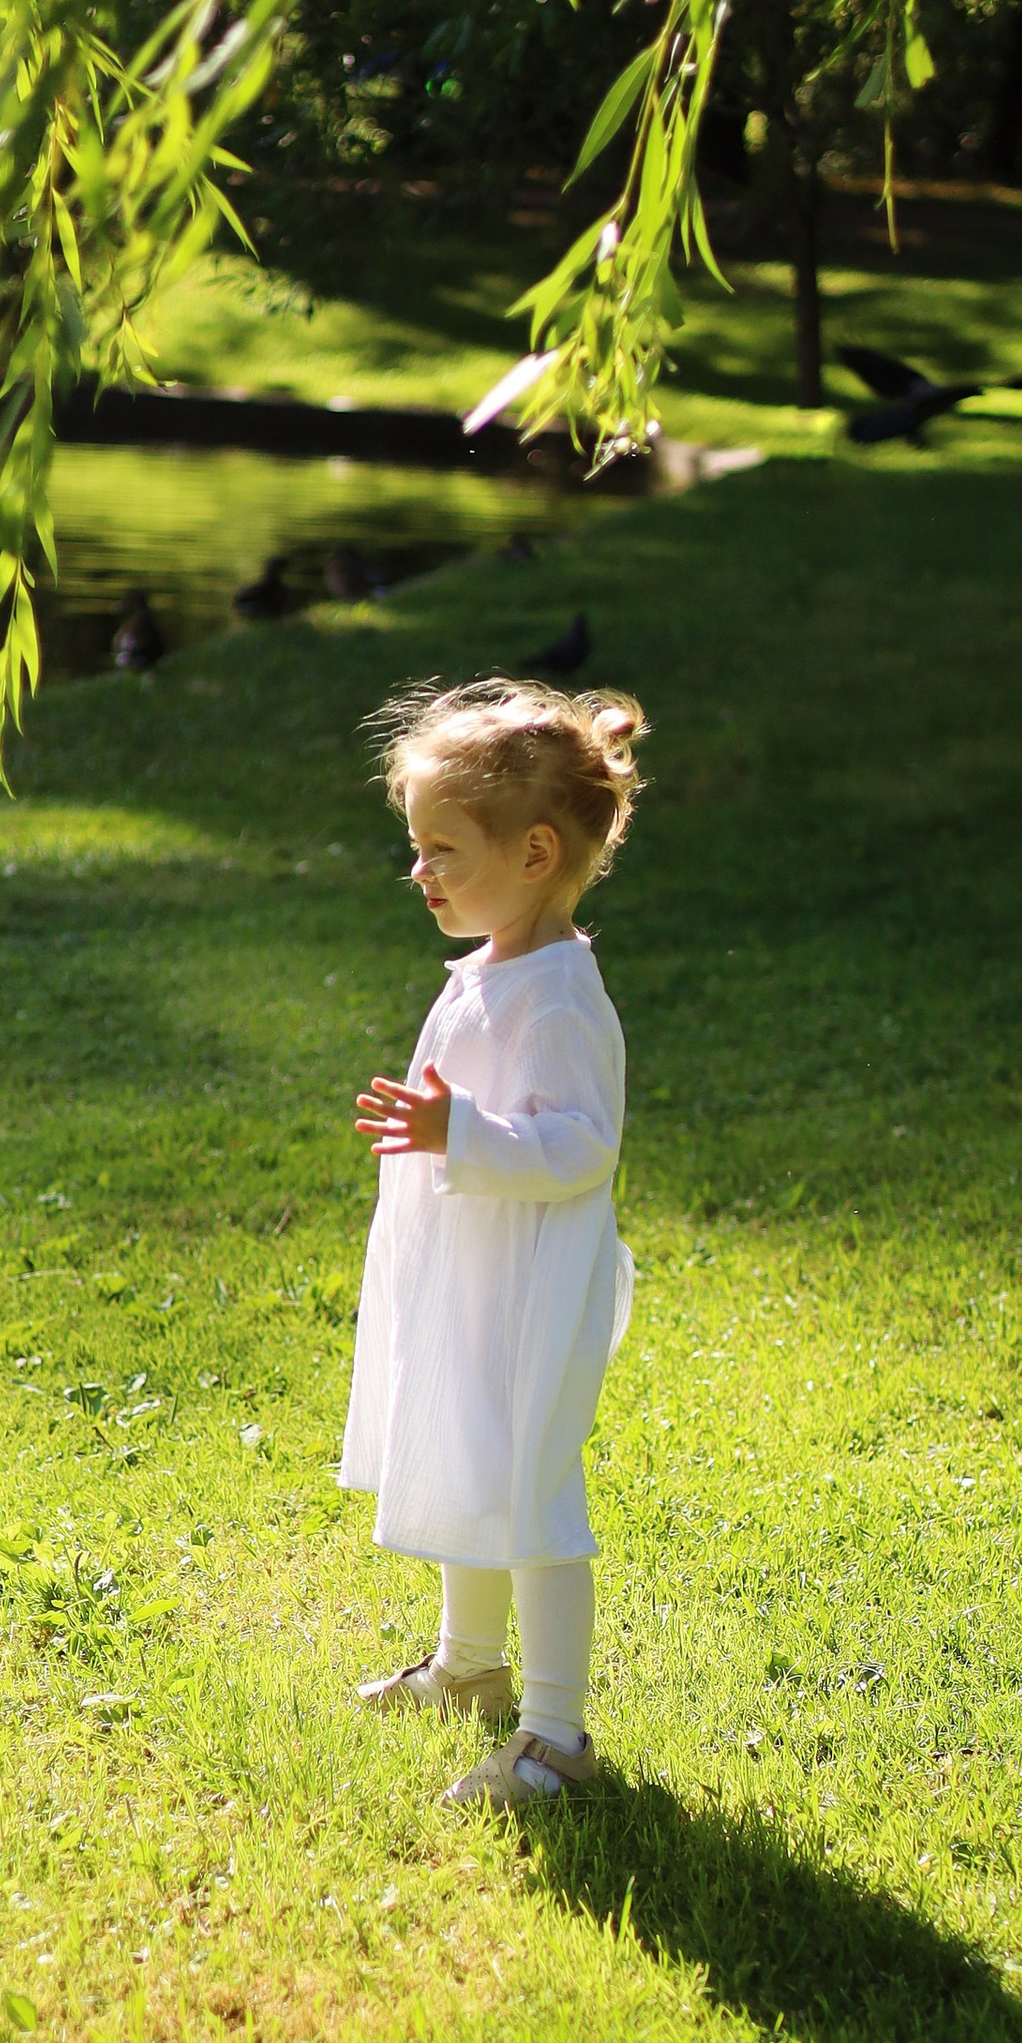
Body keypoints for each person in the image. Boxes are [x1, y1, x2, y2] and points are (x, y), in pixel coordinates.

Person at [342, 675, 645, 1809]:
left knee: (528, 1492)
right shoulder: (492, 970)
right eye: (414, 848)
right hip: (472, 1278)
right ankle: (469, 1668)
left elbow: (580, 1147)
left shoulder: (559, 994)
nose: (418, 872)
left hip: (530, 1291)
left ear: (531, 855)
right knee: (464, 1458)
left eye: (441, 851)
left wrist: (454, 1131)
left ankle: (557, 1735)